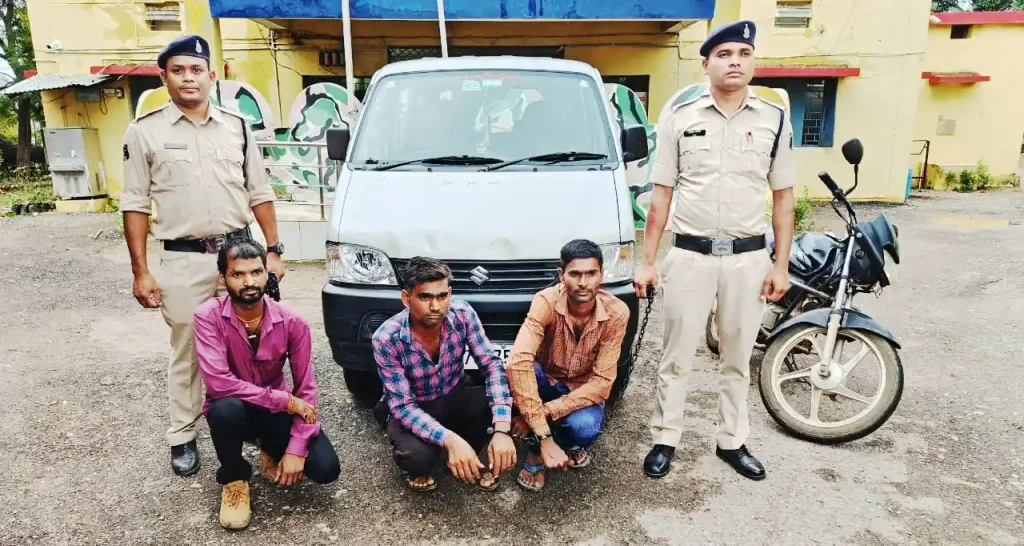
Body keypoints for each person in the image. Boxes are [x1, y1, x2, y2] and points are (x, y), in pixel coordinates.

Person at [633, 20, 796, 481]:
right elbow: (661, 195)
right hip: (690, 257)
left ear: (753, 62)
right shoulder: (680, 117)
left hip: (748, 259)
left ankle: (732, 441)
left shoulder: (773, 119)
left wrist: (780, 265)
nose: (734, 62)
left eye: (743, 54)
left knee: (737, 358)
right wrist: (648, 262)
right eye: (724, 54)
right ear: (706, 64)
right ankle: (666, 437)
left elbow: (783, 197)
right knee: (676, 357)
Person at [119, 34, 287, 476]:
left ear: (212, 75)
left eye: (196, 70)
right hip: (183, 259)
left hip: (239, 257)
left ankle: (254, 426)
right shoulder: (145, 131)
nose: (188, 78)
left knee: (252, 345)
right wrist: (141, 272)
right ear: (164, 77)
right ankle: (182, 435)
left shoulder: (237, 126)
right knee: (188, 350)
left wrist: (273, 250)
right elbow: (134, 204)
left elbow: (259, 192)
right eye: (178, 70)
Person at [194, 239, 339, 530]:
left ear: (266, 273)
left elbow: (306, 390)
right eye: (238, 274)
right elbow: (219, 384)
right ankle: (235, 478)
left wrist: (296, 448)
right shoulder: (208, 317)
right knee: (224, 410)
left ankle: (269, 448)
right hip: (236, 410)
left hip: (273, 413)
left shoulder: (293, 322)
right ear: (222, 278)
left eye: (256, 272)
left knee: (326, 469)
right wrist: (284, 400)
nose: (249, 282)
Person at [372, 257, 517, 492]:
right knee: (417, 459)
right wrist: (449, 439)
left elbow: (491, 365)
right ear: (406, 298)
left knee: (502, 403)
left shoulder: (463, 313)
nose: (435, 306)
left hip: (455, 392)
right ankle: (445, 448)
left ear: (450, 293)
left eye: (442, 296)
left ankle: (465, 452)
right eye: (425, 297)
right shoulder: (386, 338)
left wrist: (502, 429)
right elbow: (403, 406)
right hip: (416, 404)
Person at [506, 239, 630, 491]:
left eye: (591, 273)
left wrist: (541, 414)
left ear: (601, 275)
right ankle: (537, 453)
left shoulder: (617, 312)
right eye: (575, 274)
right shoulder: (546, 301)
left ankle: (564, 444)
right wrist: (543, 437)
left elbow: (602, 383)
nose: (583, 282)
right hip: (546, 378)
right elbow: (518, 362)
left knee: (583, 429)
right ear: (562, 275)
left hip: (582, 388)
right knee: (524, 371)